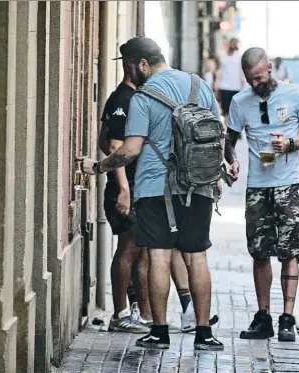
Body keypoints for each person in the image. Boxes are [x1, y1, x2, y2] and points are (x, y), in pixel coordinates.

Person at [79, 36, 223, 351]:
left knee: (158, 254)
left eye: (133, 67)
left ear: (144, 64)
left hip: (155, 188)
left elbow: (129, 150)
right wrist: (215, 175)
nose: (133, 74)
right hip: (198, 186)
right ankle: (204, 334)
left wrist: (99, 166)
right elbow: (217, 134)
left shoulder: (143, 97)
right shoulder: (198, 86)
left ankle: (159, 331)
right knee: (196, 256)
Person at [224, 47, 299, 342]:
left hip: (288, 185)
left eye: (258, 77)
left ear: (269, 68)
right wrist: (233, 160)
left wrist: (291, 144)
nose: (255, 84)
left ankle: (288, 318)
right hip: (257, 187)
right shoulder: (240, 102)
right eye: (249, 80)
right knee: (259, 251)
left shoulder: (295, 95)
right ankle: (264, 316)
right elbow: (229, 140)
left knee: (289, 251)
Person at [99, 44, 150, 334]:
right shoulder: (124, 98)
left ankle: (139, 314)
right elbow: (114, 145)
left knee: (138, 249)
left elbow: (102, 139)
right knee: (129, 249)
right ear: (133, 65)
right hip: (125, 186)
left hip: (133, 183)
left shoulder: (130, 98)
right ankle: (119, 314)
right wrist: (123, 188)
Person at [216, 38, 245, 127]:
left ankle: (234, 127)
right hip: (224, 86)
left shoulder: (239, 56)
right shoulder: (223, 55)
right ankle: (228, 129)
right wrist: (216, 84)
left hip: (236, 87)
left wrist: (243, 82)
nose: (234, 45)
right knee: (225, 111)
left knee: (235, 110)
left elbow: (242, 70)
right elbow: (219, 71)